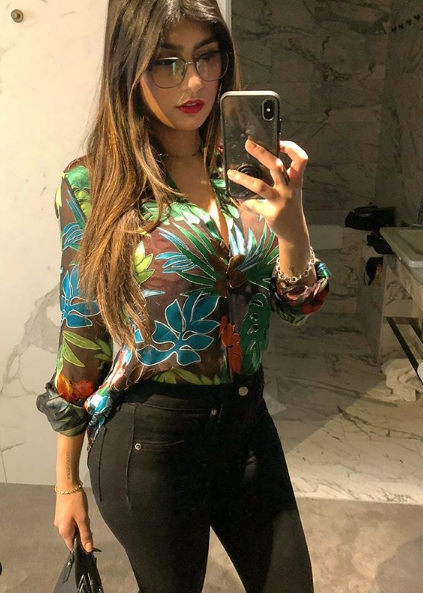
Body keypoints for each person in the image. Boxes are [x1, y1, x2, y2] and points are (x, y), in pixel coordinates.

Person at [36, 1, 332, 592]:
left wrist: (293, 227)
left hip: (248, 425)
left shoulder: (245, 170)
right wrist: (66, 481)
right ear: (130, 69)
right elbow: (83, 333)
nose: (193, 83)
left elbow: (300, 304)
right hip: (150, 438)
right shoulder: (93, 184)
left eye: (206, 58)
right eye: (166, 63)